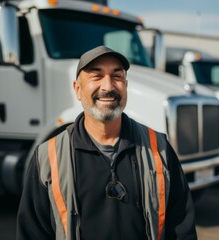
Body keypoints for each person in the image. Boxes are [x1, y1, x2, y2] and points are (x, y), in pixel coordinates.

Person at [16, 45, 197, 240]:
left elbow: (181, 228)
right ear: (78, 89)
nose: (108, 87)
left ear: (126, 86)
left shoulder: (159, 148)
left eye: (117, 77)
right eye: (96, 76)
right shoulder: (47, 158)